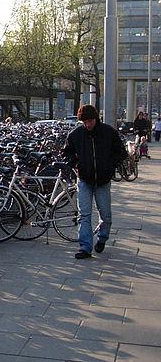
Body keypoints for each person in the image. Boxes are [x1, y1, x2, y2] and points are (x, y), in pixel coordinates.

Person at [63, 104, 127, 259]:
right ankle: (85, 247)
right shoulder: (76, 135)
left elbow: (121, 152)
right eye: (84, 122)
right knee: (84, 215)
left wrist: (110, 164)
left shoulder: (108, 132)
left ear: (95, 119)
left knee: (105, 214)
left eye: (89, 121)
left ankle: (102, 237)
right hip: (84, 179)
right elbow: (67, 153)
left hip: (103, 180)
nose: (87, 125)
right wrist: (74, 163)